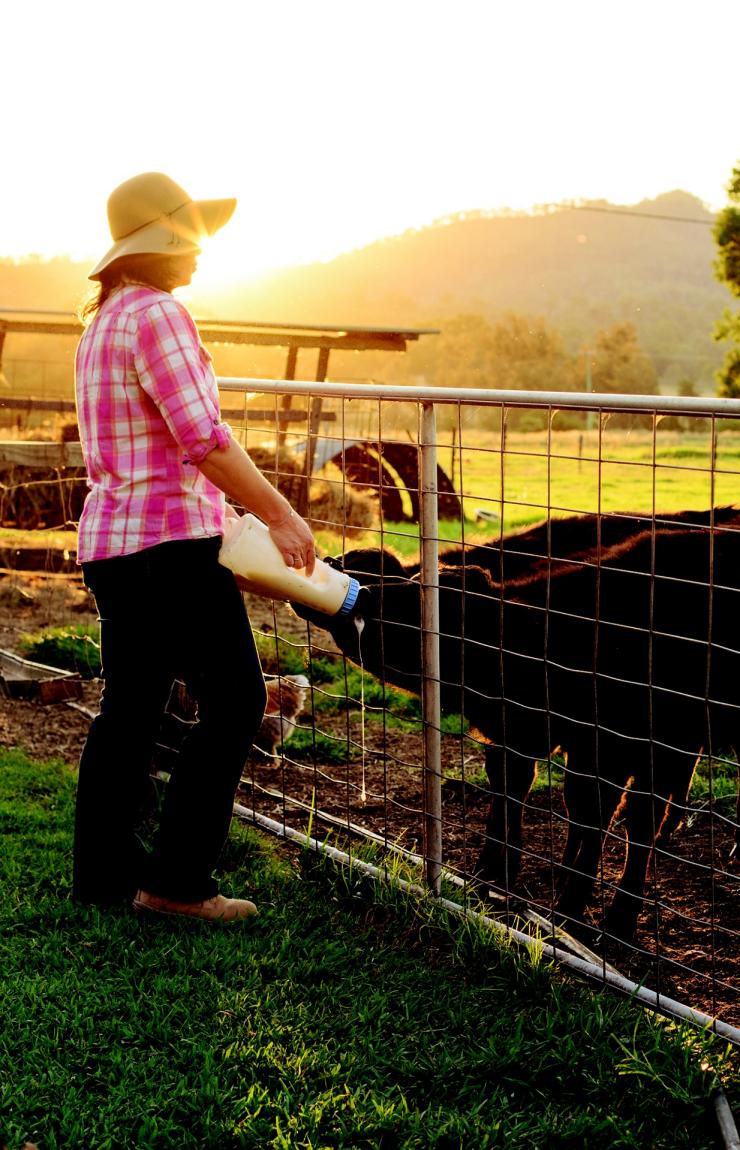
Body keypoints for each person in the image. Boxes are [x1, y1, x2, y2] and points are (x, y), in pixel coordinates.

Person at [73, 172, 315, 921]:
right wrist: (279, 513)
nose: (202, 252)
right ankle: (177, 883)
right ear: (163, 239)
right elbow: (204, 439)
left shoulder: (103, 321)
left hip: (114, 545)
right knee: (238, 699)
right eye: (191, 236)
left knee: (131, 710)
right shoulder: (161, 316)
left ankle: (106, 878)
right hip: (169, 545)